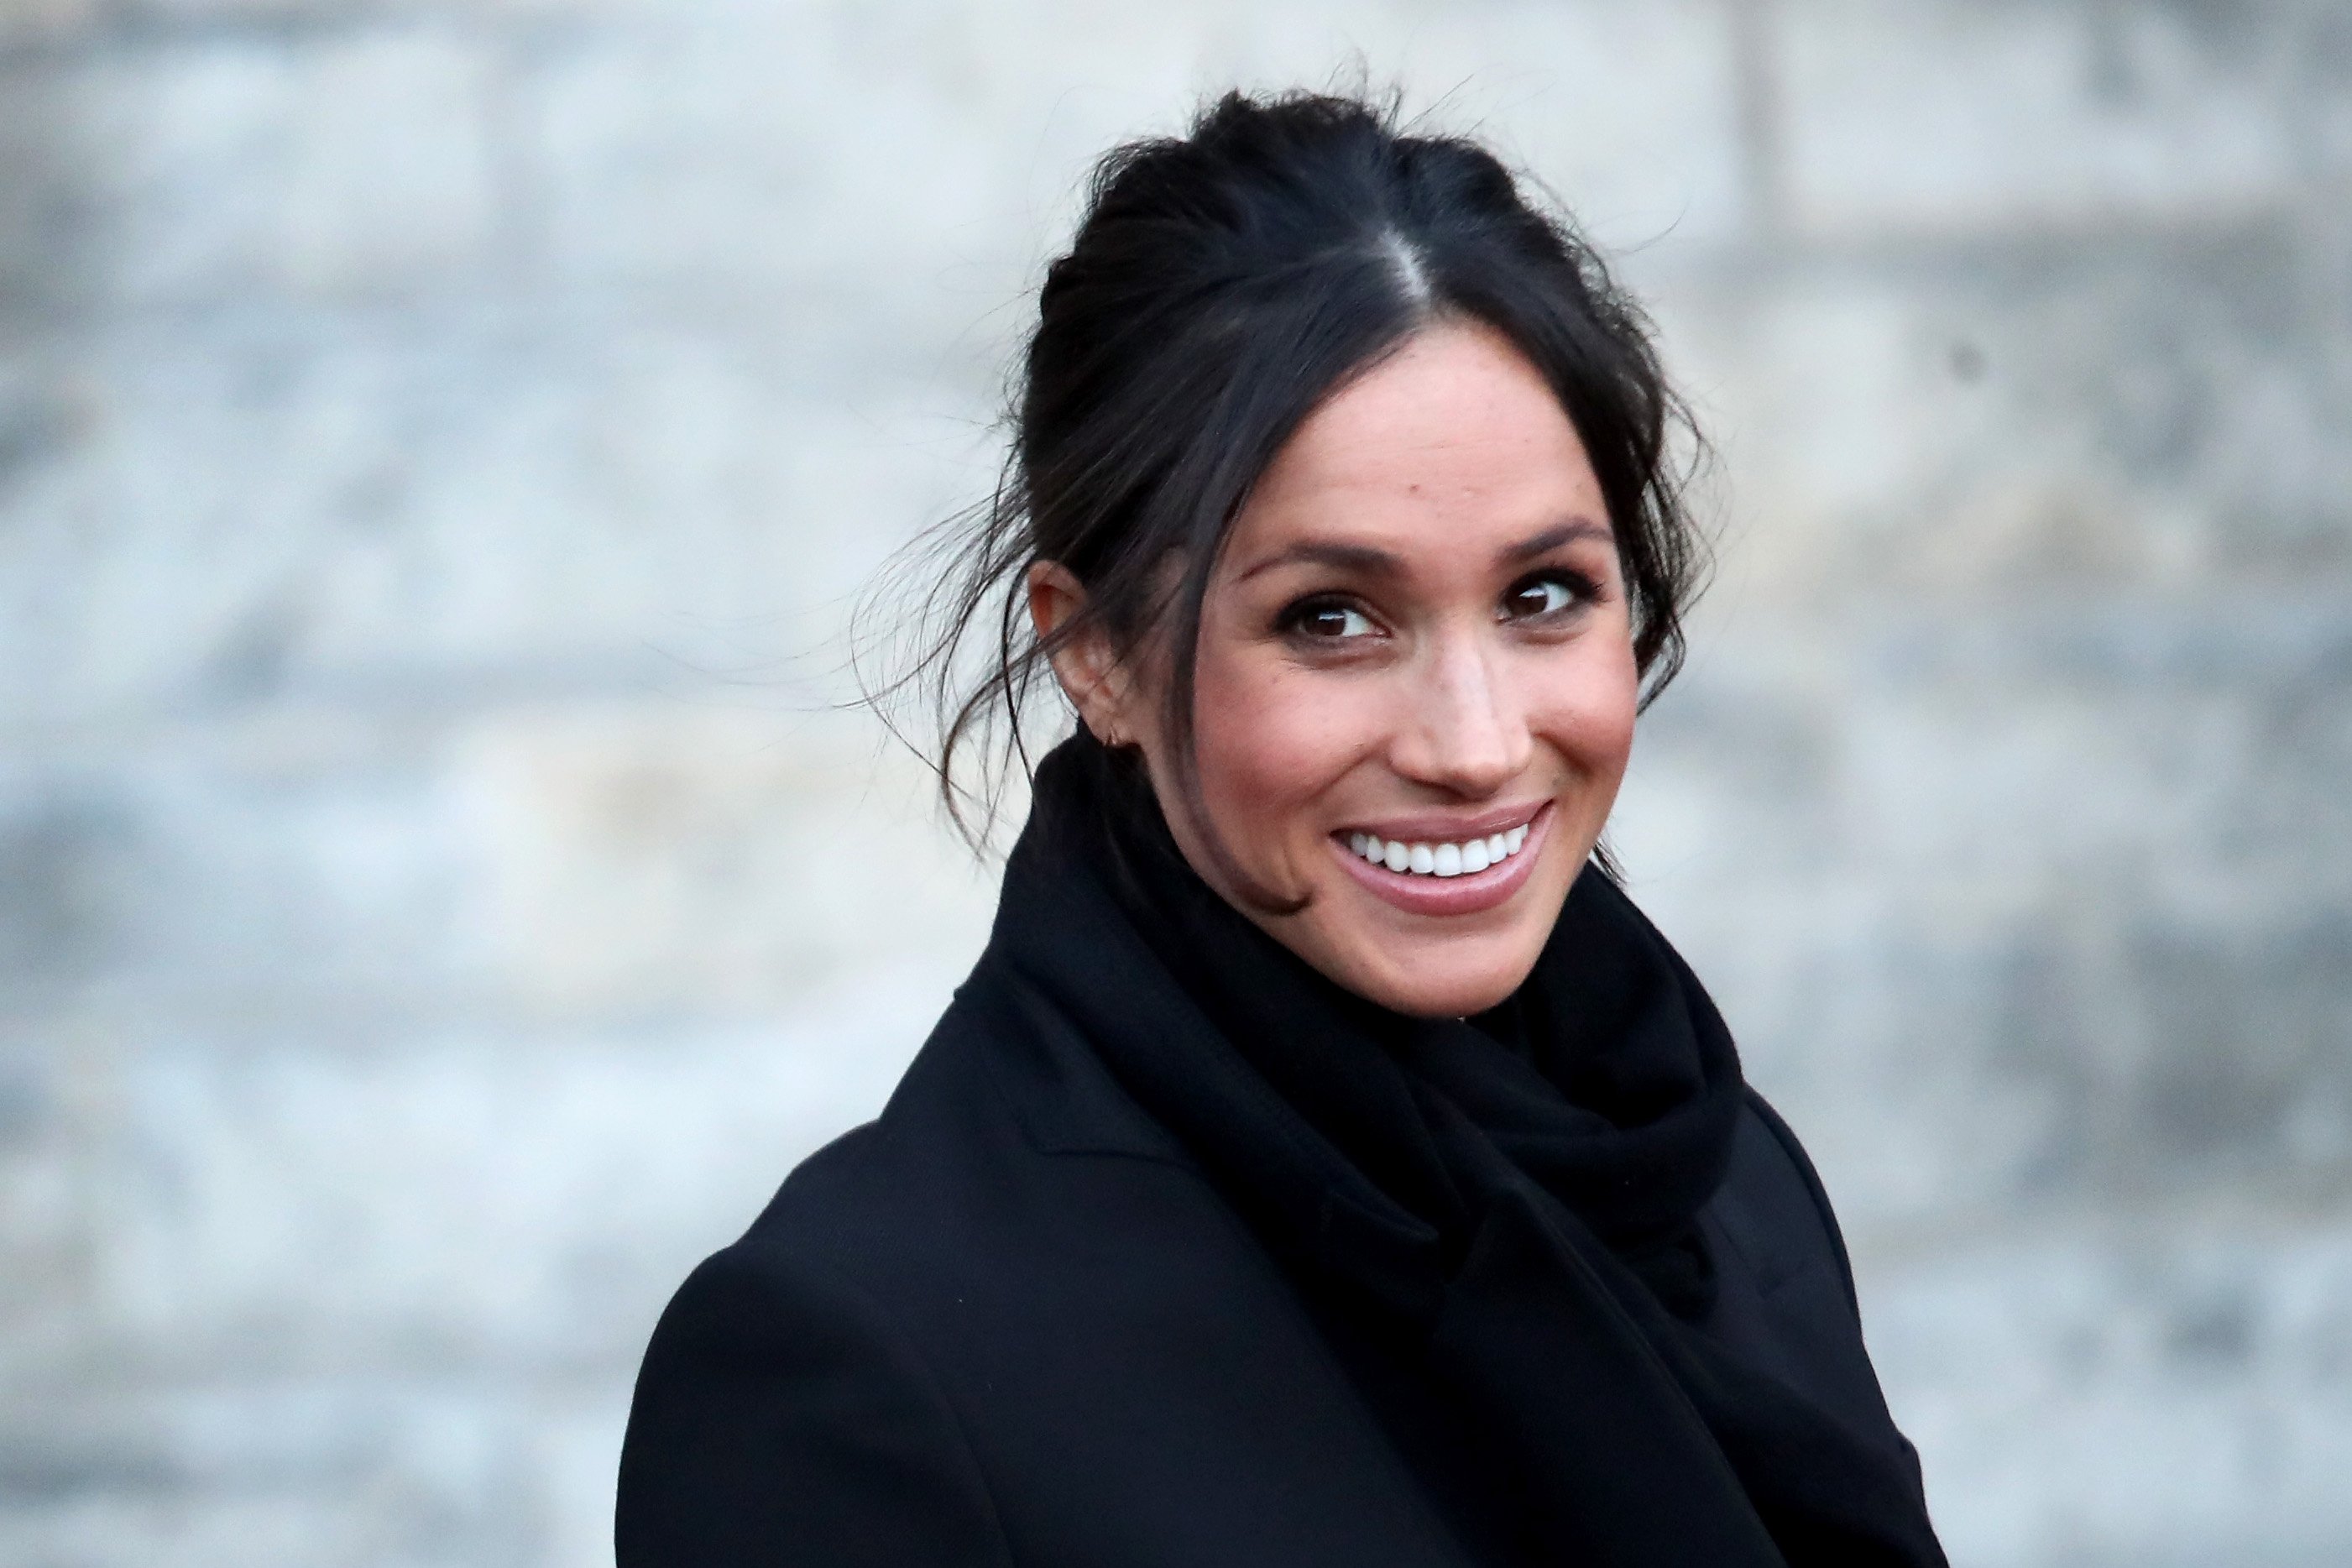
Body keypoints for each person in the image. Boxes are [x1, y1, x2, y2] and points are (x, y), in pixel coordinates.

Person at [616, 90, 1947, 1567]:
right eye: (1331, 620)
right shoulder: (856, 1368)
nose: (1477, 742)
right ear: (1095, 653)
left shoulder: (1716, 1180)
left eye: (1543, 597)